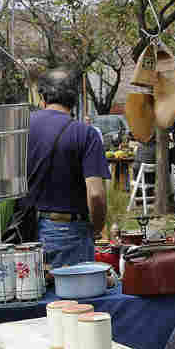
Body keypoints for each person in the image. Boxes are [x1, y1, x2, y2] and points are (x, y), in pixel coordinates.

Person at [23, 68, 109, 267]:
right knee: (74, 296)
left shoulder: (21, 128)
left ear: (42, 97)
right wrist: (96, 229)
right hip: (69, 232)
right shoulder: (86, 134)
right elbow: (96, 194)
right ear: (74, 99)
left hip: (26, 232)